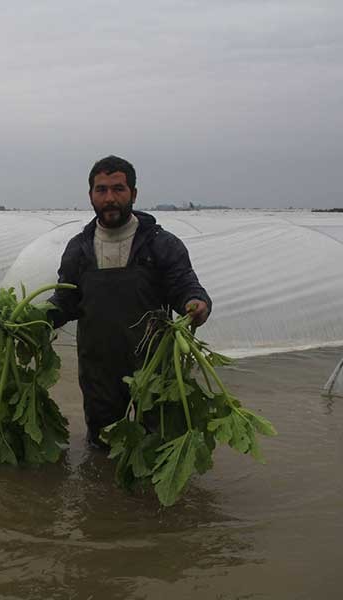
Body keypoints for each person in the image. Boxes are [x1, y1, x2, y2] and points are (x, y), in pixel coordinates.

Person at [48, 155, 211, 448]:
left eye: (118, 189)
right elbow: (66, 300)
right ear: (90, 195)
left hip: (154, 366)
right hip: (98, 368)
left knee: (157, 446)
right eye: (101, 190)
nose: (110, 198)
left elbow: (185, 286)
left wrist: (197, 302)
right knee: (102, 448)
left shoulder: (161, 244)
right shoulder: (79, 249)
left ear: (133, 194)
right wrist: (33, 320)